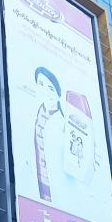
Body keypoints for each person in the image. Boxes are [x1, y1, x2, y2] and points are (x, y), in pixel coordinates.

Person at [34, 67, 64, 202]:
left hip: (54, 185)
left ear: (58, 94)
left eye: (50, 88)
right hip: (37, 182)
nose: (45, 91)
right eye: (41, 84)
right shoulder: (38, 111)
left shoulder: (62, 122)